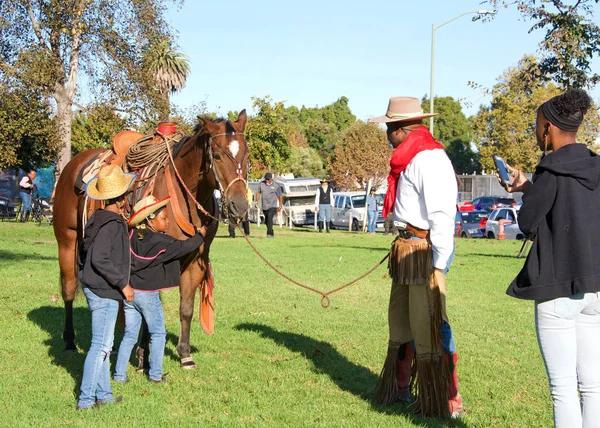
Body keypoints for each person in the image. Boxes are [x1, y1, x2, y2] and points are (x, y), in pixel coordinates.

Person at [504, 89, 600, 428]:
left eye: (536, 125)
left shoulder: (550, 168)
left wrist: (528, 192)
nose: (535, 131)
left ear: (548, 128)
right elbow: (569, 204)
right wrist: (529, 188)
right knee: (593, 388)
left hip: (557, 289)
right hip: (595, 289)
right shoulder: (595, 166)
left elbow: (528, 223)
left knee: (563, 389)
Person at [370, 97, 461, 419]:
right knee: (402, 323)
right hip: (407, 250)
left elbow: (441, 215)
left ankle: (447, 397)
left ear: (399, 129)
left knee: (432, 326)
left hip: (426, 252)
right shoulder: (408, 157)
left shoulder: (428, 158)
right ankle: (399, 387)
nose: (385, 132)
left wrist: (438, 265)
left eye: (388, 127)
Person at [114, 195, 206, 383]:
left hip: (130, 293)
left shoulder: (131, 236)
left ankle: (119, 375)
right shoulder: (160, 242)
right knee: (159, 333)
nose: (168, 221)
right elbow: (184, 247)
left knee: (130, 335)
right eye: (163, 218)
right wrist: (200, 236)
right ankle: (155, 375)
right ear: (150, 220)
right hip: (148, 296)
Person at [76, 164, 137, 409]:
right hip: (104, 291)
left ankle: (105, 395)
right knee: (100, 346)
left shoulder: (98, 219)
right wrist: (124, 284)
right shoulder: (112, 224)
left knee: (104, 345)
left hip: (97, 288)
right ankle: (86, 399)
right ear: (122, 198)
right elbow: (99, 258)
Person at [256, 172, 282, 238]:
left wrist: (280, 205)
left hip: (273, 205)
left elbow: (280, 196)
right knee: (267, 220)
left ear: (271, 179)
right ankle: (271, 230)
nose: (267, 181)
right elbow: (258, 193)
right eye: (266, 179)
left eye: (268, 179)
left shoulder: (276, 185)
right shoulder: (261, 184)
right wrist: (256, 201)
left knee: (270, 217)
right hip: (264, 206)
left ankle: (269, 234)